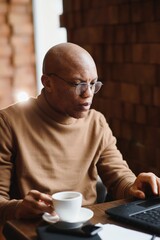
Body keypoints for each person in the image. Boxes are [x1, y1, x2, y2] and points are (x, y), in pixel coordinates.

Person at [0, 42, 160, 225]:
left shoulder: (96, 122)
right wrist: (18, 208)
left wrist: (134, 186)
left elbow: (118, 177)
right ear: (47, 83)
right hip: (33, 228)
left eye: (93, 84)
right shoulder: (8, 123)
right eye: (78, 84)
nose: (88, 94)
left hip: (88, 226)